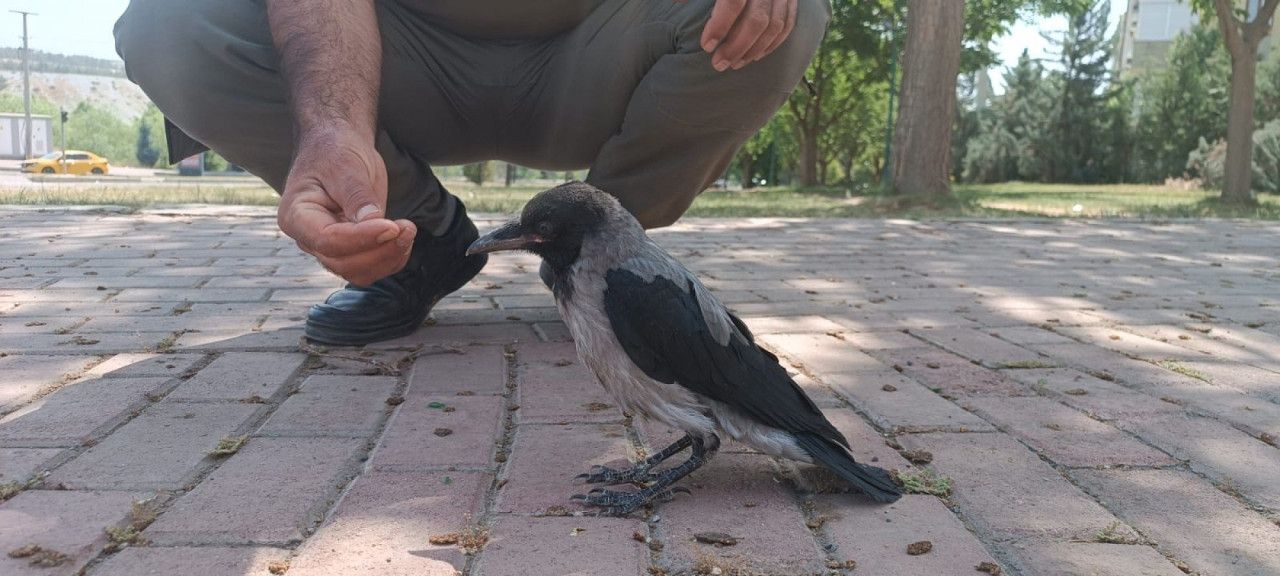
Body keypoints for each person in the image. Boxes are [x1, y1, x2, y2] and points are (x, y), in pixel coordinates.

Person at [114, 0, 829, 345]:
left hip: (602, 44)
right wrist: (333, 127)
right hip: (396, 53)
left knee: (777, 11)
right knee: (170, 26)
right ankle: (422, 242)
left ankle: (604, 264)